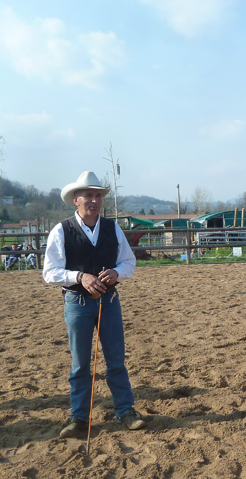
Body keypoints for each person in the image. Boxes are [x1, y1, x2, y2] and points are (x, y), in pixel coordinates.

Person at [43, 170, 145, 438]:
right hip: (76, 302)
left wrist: (116, 272)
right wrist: (79, 277)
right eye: (88, 195)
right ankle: (78, 417)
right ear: (75, 199)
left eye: (98, 196)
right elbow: (50, 272)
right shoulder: (61, 230)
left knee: (116, 361)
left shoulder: (113, 228)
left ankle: (125, 411)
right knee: (80, 365)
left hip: (109, 302)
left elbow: (129, 263)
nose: (94, 200)